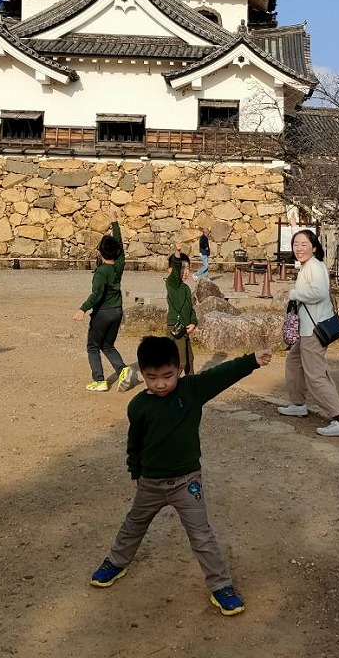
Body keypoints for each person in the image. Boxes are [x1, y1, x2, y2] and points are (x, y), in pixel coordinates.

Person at [89, 335, 274, 616]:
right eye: (152, 377)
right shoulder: (138, 406)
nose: (161, 383)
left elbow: (220, 374)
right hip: (150, 483)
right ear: (142, 373)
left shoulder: (192, 390)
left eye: (167, 376)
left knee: (202, 536)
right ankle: (115, 562)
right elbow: (134, 442)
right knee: (133, 525)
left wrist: (251, 361)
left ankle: (221, 586)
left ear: (179, 368)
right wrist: (135, 470)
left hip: (187, 482)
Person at [278, 229, 339, 436]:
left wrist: (294, 293)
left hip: (314, 331)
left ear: (314, 247)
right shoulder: (308, 267)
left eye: (303, 244)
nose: (299, 248)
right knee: (294, 361)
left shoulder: (313, 267)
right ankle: (298, 403)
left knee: (315, 375)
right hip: (308, 330)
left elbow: (318, 292)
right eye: (295, 244)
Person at [73, 217, 131, 391]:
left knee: (93, 346)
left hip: (103, 313)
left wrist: (83, 309)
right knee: (107, 345)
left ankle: (99, 381)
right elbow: (119, 244)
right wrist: (115, 224)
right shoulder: (119, 265)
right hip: (117, 311)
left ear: (100, 253)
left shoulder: (101, 272)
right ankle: (123, 369)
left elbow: (97, 294)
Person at [165, 252, 197, 374]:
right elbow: (176, 269)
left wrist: (193, 322)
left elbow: (190, 308)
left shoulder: (186, 288)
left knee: (189, 359)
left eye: (187, 268)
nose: (185, 271)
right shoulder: (172, 284)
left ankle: (191, 385)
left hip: (184, 329)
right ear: (171, 271)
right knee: (180, 362)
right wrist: (177, 254)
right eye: (181, 268)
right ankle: (168, 388)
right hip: (175, 328)